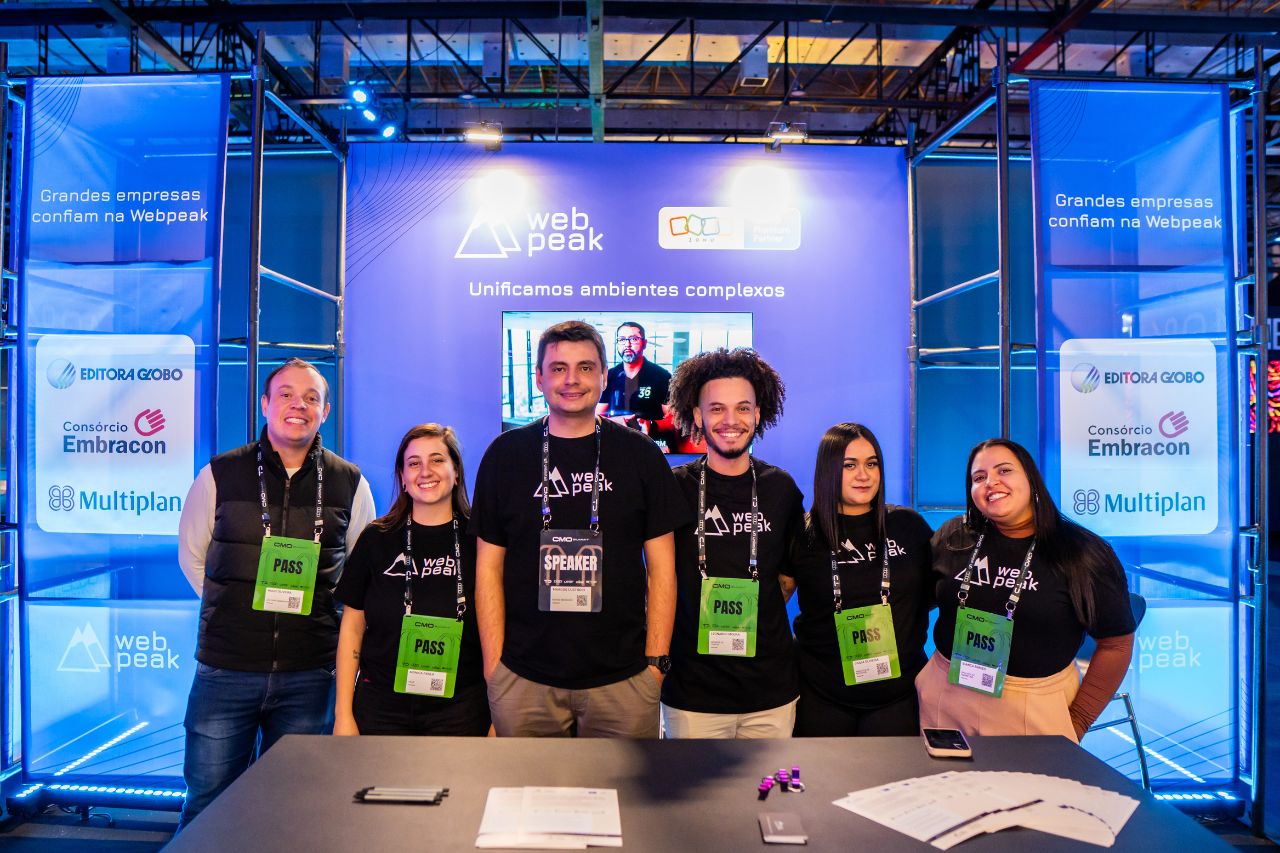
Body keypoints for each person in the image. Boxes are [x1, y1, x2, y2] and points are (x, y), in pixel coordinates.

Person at [176, 358, 376, 828]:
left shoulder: (349, 482)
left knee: (296, 809)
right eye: (286, 394)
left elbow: (360, 574)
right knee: (208, 804)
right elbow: (192, 557)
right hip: (226, 670)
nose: (297, 405)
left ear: (325, 412)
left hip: (310, 674)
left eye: (311, 398)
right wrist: (233, 610)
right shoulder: (220, 474)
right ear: (265, 404)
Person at [472, 320, 686, 737]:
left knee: (626, 785)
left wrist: (656, 666)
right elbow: (487, 569)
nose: (572, 379)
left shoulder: (641, 456)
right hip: (523, 678)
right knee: (524, 783)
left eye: (585, 368)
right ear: (539, 378)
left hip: (624, 681)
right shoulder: (505, 455)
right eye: (559, 368)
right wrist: (494, 667)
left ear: (604, 376)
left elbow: (663, 570)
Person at [917, 438, 1135, 741]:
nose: (991, 482)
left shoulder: (1083, 553)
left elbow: (1116, 645)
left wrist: (1079, 720)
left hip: (1033, 706)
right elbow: (918, 598)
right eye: (979, 477)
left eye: (1004, 470)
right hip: (947, 694)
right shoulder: (953, 537)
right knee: (942, 775)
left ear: (1031, 479)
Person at [659, 348, 804, 738]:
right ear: (697, 416)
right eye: (717, 408)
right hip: (692, 692)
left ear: (757, 414)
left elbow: (788, 578)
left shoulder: (781, 488)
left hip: (770, 690)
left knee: (770, 783)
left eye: (743, 408)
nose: (730, 420)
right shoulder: (675, 488)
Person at [332, 424, 489, 737]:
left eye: (437, 460)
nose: (425, 471)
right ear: (403, 478)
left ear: (456, 471)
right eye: (414, 463)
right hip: (381, 706)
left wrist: (498, 717)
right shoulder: (376, 539)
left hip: (461, 708)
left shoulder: (482, 541)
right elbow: (352, 628)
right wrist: (343, 714)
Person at [789, 423, 934, 737]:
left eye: (872, 463)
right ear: (828, 470)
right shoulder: (803, 535)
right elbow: (776, 597)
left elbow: (940, 593)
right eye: (849, 465)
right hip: (820, 696)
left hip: (898, 697)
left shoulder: (908, 526)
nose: (864, 475)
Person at [596, 321, 673, 432]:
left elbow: (674, 420)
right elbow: (597, 417)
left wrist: (652, 425)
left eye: (634, 339)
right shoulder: (609, 376)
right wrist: (617, 422)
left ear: (644, 343)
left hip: (651, 439)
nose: (627, 345)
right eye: (622, 340)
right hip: (616, 438)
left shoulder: (662, 376)